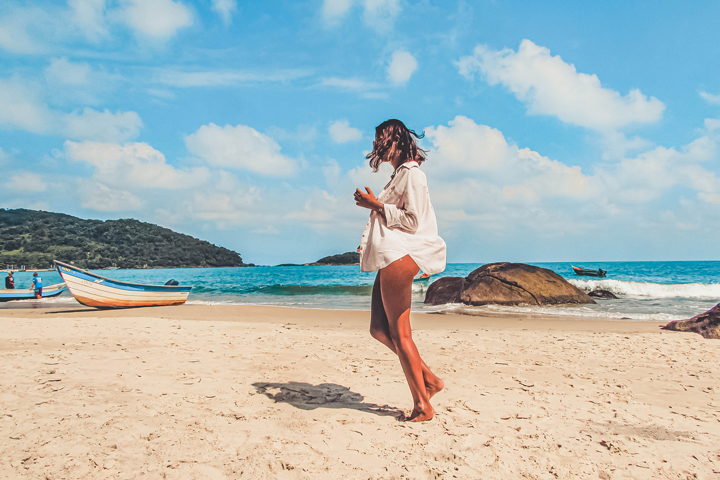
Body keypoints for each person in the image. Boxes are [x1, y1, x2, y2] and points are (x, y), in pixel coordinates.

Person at [354, 119, 447, 422]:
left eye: (379, 138)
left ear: (394, 140)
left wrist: (375, 205)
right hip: (391, 254)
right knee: (379, 329)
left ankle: (423, 404)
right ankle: (429, 381)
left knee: (400, 333)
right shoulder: (399, 175)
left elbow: (412, 221)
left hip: (402, 256)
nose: (374, 145)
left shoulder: (413, 175)